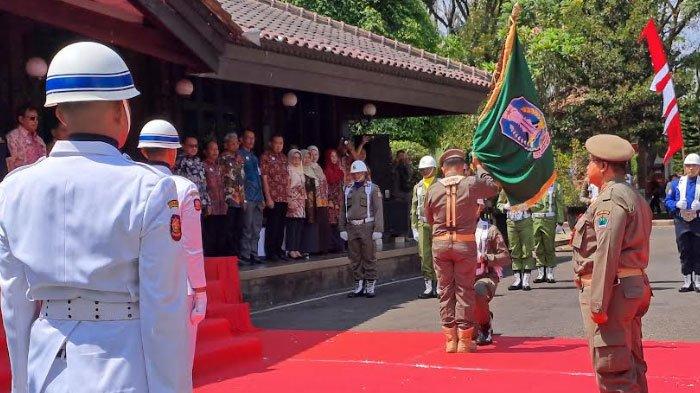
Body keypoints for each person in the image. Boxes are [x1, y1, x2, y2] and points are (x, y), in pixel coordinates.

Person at [0, 42, 190, 392]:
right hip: (122, 362)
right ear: (122, 110)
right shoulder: (149, 188)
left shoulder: (14, 189)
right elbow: (164, 309)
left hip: (45, 362)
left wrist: (22, 386)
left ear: (58, 114)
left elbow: (13, 304)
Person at [572, 134, 652, 392]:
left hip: (614, 290)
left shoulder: (611, 198)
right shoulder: (632, 195)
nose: (587, 168)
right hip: (629, 285)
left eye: (590, 162)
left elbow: (607, 252)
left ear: (604, 166)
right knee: (631, 363)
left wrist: (598, 301)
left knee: (613, 370)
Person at [138, 119, 207, 366]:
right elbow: (191, 245)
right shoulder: (185, 187)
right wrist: (200, 289)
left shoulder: (129, 184)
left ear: (143, 151)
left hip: (137, 284)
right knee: (178, 363)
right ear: (174, 152)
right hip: (177, 284)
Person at [424, 149, 500, 353]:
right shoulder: (470, 183)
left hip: (440, 244)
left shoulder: (433, 188)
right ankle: (465, 340)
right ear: (462, 167)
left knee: (445, 290)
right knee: (464, 290)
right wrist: (480, 167)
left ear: (443, 168)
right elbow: (494, 187)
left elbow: (429, 218)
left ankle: (450, 340)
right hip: (464, 243)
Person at [339, 160, 384, 298]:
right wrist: (342, 228)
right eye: (354, 173)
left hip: (367, 226)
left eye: (359, 172)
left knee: (369, 256)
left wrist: (378, 229)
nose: (356, 175)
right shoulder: (347, 189)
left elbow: (378, 210)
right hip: (352, 226)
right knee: (354, 257)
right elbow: (342, 211)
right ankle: (358, 283)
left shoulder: (372, 188)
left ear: (364, 172)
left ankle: (370, 283)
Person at [474, 202, 510, 346]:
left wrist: (487, 258)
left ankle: (485, 326)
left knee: (478, 291)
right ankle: (479, 318)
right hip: (462, 277)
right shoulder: (457, 231)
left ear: (480, 208)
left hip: (485, 276)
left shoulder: (490, 230)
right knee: (467, 334)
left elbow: (505, 257)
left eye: (474, 205)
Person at [664, 153, 700, 292]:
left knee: (698, 249)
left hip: (698, 221)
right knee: (684, 249)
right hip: (682, 222)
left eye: (695, 166)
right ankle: (687, 280)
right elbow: (667, 201)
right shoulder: (675, 184)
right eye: (688, 165)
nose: (691, 168)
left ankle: (697, 280)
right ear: (684, 167)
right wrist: (677, 204)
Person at [410, 155, 438, 299]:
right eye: (422, 169)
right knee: (424, 255)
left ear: (434, 168)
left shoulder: (440, 184)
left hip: (437, 224)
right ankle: (428, 286)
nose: (424, 171)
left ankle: (439, 285)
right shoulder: (418, 186)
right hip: (422, 223)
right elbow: (414, 208)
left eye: (427, 169)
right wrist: (414, 227)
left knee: (438, 255)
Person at [497, 190, 535, 291]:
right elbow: (499, 204)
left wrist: (529, 205)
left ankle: (526, 281)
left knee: (526, 249)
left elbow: (538, 204)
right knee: (514, 250)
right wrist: (505, 206)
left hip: (525, 221)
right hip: (511, 223)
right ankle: (517, 280)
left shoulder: (527, 188)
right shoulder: (506, 189)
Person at [260, 134, 289, 262]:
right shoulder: (265, 157)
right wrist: (268, 197)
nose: (279, 145)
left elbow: (287, 178)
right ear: (271, 143)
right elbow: (264, 178)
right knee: (273, 225)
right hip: (273, 196)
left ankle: (278, 249)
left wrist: (288, 195)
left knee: (281, 226)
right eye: (276, 143)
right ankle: (271, 251)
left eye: (281, 143)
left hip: (283, 196)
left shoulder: (284, 158)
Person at [239, 129, 264, 265]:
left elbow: (259, 178)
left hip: (258, 197)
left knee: (256, 227)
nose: (251, 141)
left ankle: (254, 253)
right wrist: (242, 197)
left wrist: (263, 198)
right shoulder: (240, 155)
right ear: (242, 139)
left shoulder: (254, 157)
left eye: (253, 138)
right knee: (247, 226)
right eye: (248, 138)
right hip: (247, 196)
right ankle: (245, 253)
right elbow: (240, 178)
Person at [531, 182, 565, 284]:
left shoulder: (556, 185)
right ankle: (541, 273)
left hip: (549, 220)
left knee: (549, 246)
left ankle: (550, 273)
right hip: (535, 220)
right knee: (537, 247)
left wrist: (560, 221)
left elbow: (559, 203)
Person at [219, 133, 245, 257]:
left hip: (240, 198)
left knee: (239, 228)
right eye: (232, 143)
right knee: (228, 228)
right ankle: (230, 255)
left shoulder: (239, 158)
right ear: (226, 144)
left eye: (237, 143)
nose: (235, 145)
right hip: (228, 198)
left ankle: (237, 254)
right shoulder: (223, 158)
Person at [202, 140, 228, 256]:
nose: (215, 151)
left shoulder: (219, 167)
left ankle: (220, 261)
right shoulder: (203, 166)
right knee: (210, 235)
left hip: (221, 206)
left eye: (217, 149)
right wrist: (207, 205)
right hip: (210, 208)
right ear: (205, 151)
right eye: (212, 149)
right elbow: (204, 187)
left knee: (222, 235)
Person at [175, 136, 211, 215]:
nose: (194, 148)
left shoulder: (198, 161)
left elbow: (203, 183)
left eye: (196, 146)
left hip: (200, 202)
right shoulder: (179, 162)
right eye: (191, 146)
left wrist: (207, 202)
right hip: (188, 203)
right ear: (183, 146)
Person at [6, 103, 46, 172]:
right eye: (32, 118)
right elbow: (11, 164)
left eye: (37, 118)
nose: (36, 121)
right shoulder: (12, 137)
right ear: (21, 119)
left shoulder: (39, 140)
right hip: (20, 178)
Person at [309, 146, 331, 253]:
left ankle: (323, 248)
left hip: (322, 200)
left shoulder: (319, 167)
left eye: (316, 154)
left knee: (323, 224)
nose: (314, 157)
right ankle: (315, 248)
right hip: (313, 201)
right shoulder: (307, 167)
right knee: (315, 224)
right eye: (311, 154)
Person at [285, 149, 306, 260]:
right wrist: (290, 200)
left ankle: (296, 248)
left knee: (299, 225)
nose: (297, 160)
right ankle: (291, 249)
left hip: (301, 201)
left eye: (298, 158)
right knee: (292, 225)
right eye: (294, 157)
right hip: (293, 199)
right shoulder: (289, 169)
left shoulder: (301, 169)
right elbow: (287, 186)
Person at [324, 148, 345, 252]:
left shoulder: (340, 172)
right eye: (332, 156)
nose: (334, 158)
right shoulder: (326, 171)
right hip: (330, 202)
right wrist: (331, 200)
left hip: (338, 200)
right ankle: (333, 246)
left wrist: (339, 201)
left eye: (335, 156)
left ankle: (339, 246)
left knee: (339, 224)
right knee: (331, 224)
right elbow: (326, 188)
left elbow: (341, 187)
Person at [301, 149, 319, 256]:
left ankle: (312, 248)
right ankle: (303, 248)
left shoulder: (313, 169)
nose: (307, 159)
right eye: (305, 157)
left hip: (314, 201)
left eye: (309, 157)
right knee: (303, 224)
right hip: (304, 201)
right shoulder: (299, 170)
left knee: (312, 223)